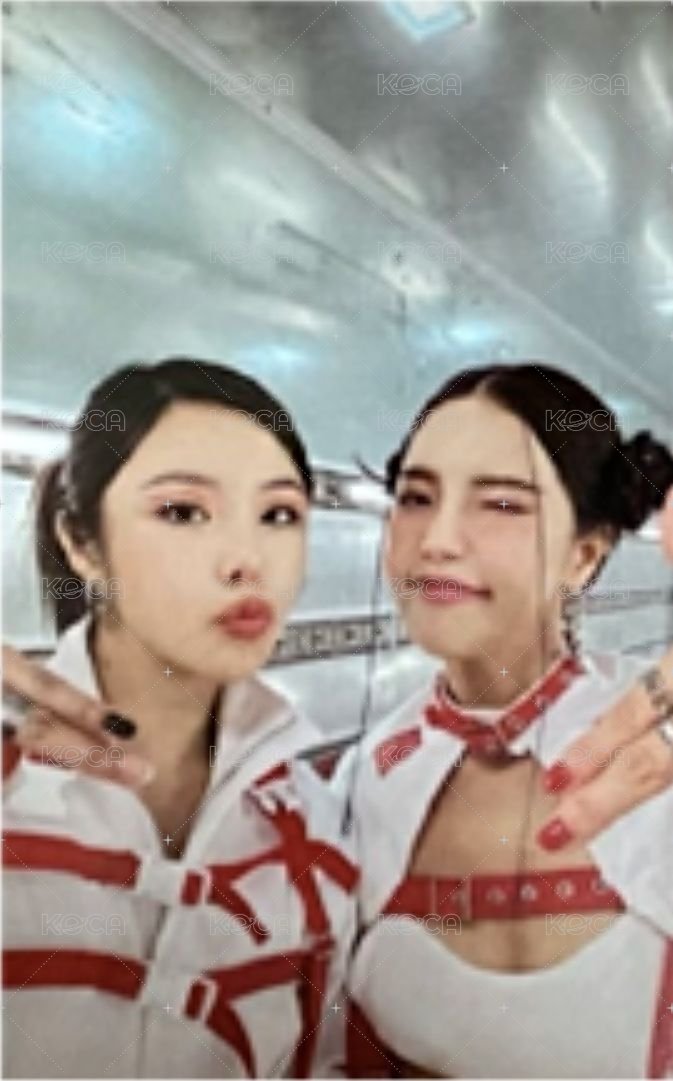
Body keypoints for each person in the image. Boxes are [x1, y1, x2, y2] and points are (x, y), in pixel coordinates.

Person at [3, 358, 357, 1079]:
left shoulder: (318, 833)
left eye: (279, 515)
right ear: (81, 543)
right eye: (183, 512)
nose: (247, 561)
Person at [343, 363, 673, 1078]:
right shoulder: (362, 781)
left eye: (499, 504)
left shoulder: (656, 745)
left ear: (583, 555)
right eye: (416, 497)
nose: (437, 539)